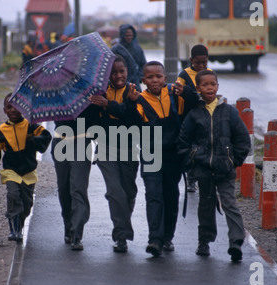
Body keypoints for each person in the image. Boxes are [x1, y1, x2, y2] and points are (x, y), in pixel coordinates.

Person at [122, 61, 197, 257]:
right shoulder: (138, 100)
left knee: (171, 196)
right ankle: (155, 239)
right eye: (150, 77)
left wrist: (187, 92)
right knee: (153, 195)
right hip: (151, 154)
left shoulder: (175, 94)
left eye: (158, 76)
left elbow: (195, 107)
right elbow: (132, 124)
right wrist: (129, 103)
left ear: (165, 77)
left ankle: (167, 238)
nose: (155, 80)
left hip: (174, 155)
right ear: (143, 80)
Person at [177, 70, 251, 262]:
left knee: (229, 203)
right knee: (206, 205)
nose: (209, 87)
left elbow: (243, 140)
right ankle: (204, 241)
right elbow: (184, 141)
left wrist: (233, 160)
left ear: (217, 86)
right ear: (198, 88)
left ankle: (236, 243)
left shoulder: (229, 112)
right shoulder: (194, 114)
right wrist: (191, 162)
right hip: (203, 169)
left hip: (225, 169)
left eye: (213, 84)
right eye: (205, 85)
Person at [0, 94, 52, 243]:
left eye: (17, 106)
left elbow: (46, 136)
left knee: (26, 204)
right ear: (4, 110)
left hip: (28, 171)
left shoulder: (31, 126)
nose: (13, 110)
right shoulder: (1, 131)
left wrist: (33, 139)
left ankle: (20, 223)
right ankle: (14, 229)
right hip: (11, 171)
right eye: (9, 107)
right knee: (13, 195)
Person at [89, 55, 140, 253]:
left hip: (129, 148)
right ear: (107, 74)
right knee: (115, 192)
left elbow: (133, 119)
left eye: (121, 71)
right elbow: (93, 119)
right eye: (113, 72)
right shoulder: (100, 92)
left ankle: (122, 224)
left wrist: (108, 105)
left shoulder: (133, 91)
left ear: (127, 71)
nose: (118, 75)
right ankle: (121, 236)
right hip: (105, 148)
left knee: (128, 193)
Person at [51, 104, 100, 251]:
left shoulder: (90, 91)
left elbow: (97, 119)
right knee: (64, 188)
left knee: (78, 187)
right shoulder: (55, 91)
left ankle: (77, 232)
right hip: (61, 140)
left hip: (82, 141)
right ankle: (68, 222)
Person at [177, 44, 211, 193]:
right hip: (188, 117)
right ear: (191, 60)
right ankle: (191, 179)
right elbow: (179, 96)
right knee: (191, 149)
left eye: (204, 62)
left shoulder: (209, 73)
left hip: (204, 116)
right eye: (198, 63)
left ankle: (203, 177)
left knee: (203, 147)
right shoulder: (184, 75)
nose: (202, 65)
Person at [111, 24, 147, 91]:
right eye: (127, 35)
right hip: (120, 82)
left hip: (135, 82)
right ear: (122, 35)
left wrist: (139, 77)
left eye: (131, 35)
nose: (129, 37)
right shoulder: (115, 49)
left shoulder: (138, 48)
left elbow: (143, 64)